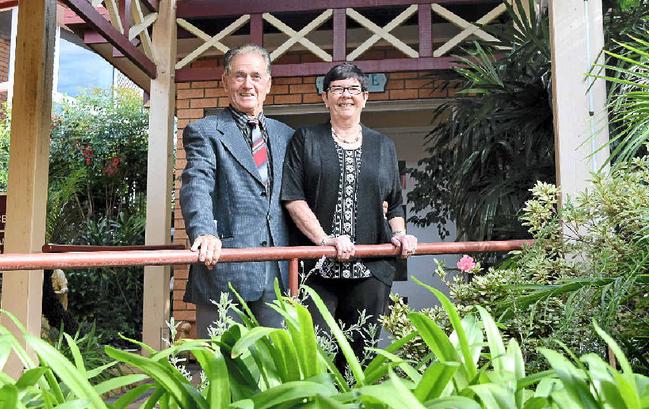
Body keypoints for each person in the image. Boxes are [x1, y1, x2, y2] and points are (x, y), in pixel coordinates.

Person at [281, 62, 418, 365]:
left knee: (361, 356)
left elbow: (394, 202)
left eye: (353, 88)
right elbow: (293, 197)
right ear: (325, 98)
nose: (346, 95)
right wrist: (325, 240)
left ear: (365, 97)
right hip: (316, 271)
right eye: (338, 89)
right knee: (314, 355)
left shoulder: (383, 145)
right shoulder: (306, 139)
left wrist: (399, 234)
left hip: (370, 270)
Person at [180, 44, 294, 337]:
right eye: (239, 75)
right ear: (225, 81)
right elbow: (197, 183)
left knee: (278, 371)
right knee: (222, 370)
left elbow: (303, 194)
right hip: (224, 270)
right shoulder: (204, 131)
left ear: (268, 83)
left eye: (256, 76)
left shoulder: (287, 135)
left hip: (279, 272)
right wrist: (204, 231)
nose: (247, 84)